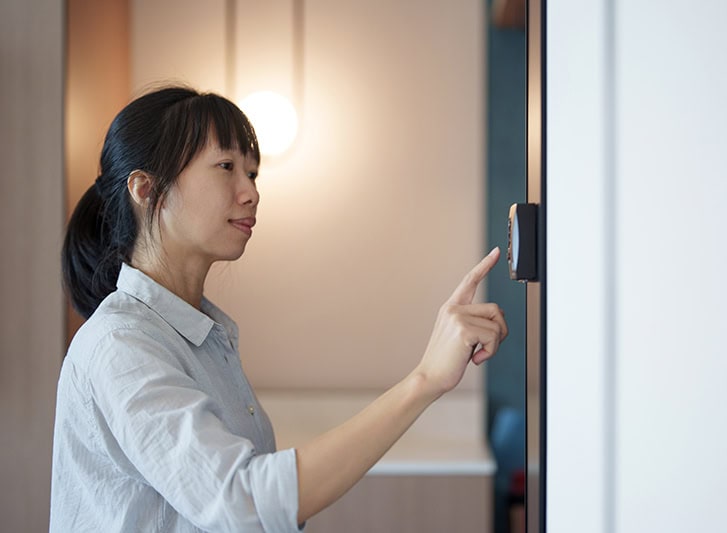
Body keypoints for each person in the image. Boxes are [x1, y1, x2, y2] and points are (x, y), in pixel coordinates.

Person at [51, 85, 508, 532]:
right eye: (226, 166)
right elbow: (241, 501)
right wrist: (424, 381)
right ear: (147, 189)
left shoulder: (204, 338)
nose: (250, 192)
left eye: (252, 173)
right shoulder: (120, 344)